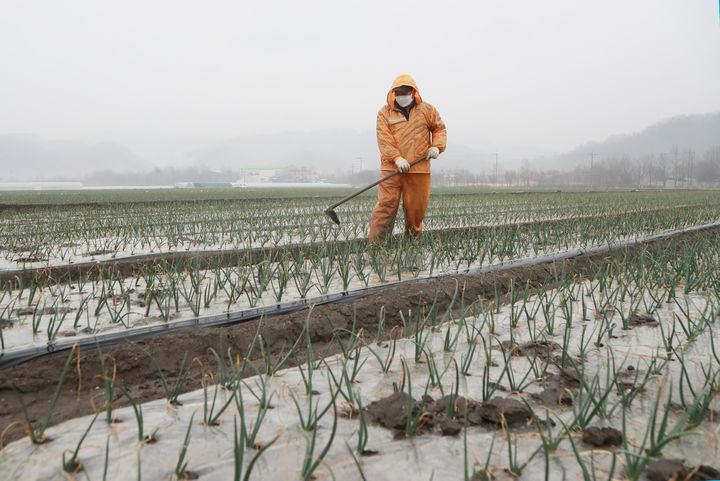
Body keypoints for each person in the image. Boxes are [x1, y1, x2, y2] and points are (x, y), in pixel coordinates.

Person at [368, 74, 447, 244]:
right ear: (393, 93)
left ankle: (412, 246)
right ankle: (376, 247)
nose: (401, 95)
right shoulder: (384, 113)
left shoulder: (428, 110)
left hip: (419, 169)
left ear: (412, 92)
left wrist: (436, 146)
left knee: (415, 211)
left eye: (404, 92)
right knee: (385, 207)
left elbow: (439, 129)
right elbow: (384, 138)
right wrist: (396, 158)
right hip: (392, 168)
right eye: (398, 92)